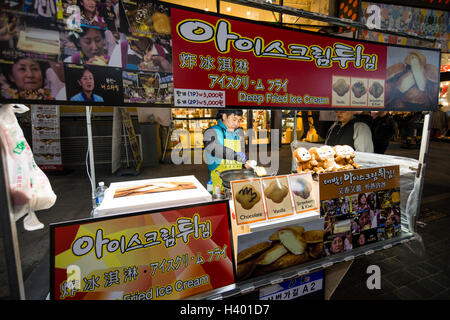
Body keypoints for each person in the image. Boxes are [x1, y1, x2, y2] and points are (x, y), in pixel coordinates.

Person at [203, 109, 251, 194]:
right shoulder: (212, 131)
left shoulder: (237, 133)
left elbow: (239, 153)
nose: (237, 124)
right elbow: (214, 148)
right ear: (224, 116)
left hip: (237, 178)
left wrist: (245, 162)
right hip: (218, 180)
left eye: (239, 120)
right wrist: (235, 155)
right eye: (234, 119)